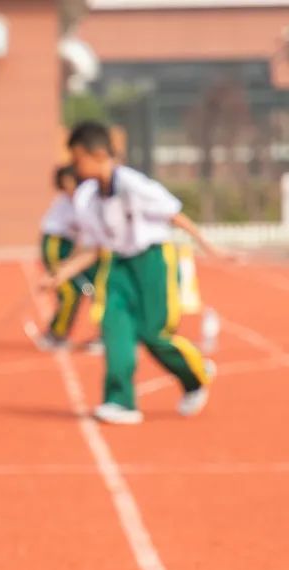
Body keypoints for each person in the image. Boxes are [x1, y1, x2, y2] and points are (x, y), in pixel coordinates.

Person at [45, 121, 223, 425]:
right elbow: (93, 247)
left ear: (98, 154)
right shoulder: (87, 197)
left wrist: (209, 246)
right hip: (117, 266)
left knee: (153, 334)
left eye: (78, 159)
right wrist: (61, 274)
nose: (74, 167)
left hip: (153, 261)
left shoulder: (133, 185)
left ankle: (194, 374)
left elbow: (174, 216)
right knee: (115, 328)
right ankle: (120, 401)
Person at [36, 164, 110, 351]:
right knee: (70, 290)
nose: (68, 187)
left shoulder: (85, 198)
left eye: (71, 183)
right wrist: (64, 267)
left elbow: (86, 238)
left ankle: (106, 334)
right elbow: (84, 236)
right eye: (64, 184)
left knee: (96, 287)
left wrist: (73, 262)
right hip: (56, 244)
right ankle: (55, 334)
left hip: (75, 248)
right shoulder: (71, 201)